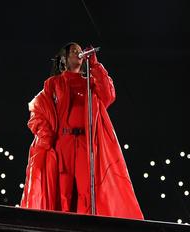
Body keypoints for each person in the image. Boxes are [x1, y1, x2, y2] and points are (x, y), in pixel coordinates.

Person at [20, 42, 143, 220]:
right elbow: (38, 108)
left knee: (87, 187)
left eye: (80, 51)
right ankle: (62, 225)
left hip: (86, 142)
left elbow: (108, 96)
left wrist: (94, 64)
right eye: (74, 51)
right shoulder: (53, 84)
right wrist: (46, 136)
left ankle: (86, 225)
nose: (79, 53)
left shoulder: (90, 84)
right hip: (64, 141)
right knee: (63, 187)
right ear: (64, 58)